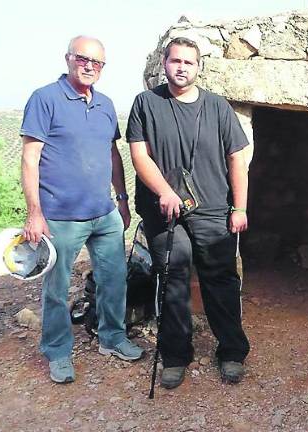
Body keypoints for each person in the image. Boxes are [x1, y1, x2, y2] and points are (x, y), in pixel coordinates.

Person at [126, 37, 251, 389]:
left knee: (221, 281)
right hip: (164, 211)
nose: (181, 67)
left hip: (213, 210)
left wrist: (239, 207)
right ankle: (176, 355)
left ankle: (231, 352)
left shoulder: (217, 107)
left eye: (189, 62)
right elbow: (139, 155)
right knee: (172, 281)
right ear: (164, 64)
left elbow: (236, 159)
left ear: (199, 67)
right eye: (175, 61)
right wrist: (164, 192)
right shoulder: (146, 104)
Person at [20, 35, 144, 384]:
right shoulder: (45, 99)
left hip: (103, 213)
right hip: (59, 216)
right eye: (83, 59)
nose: (90, 66)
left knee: (114, 279)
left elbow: (112, 155)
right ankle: (58, 351)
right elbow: (30, 158)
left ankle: (112, 338)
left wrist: (122, 200)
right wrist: (35, 213)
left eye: (98, 63)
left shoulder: (105, 104)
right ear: (68, 59)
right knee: (56, 289)